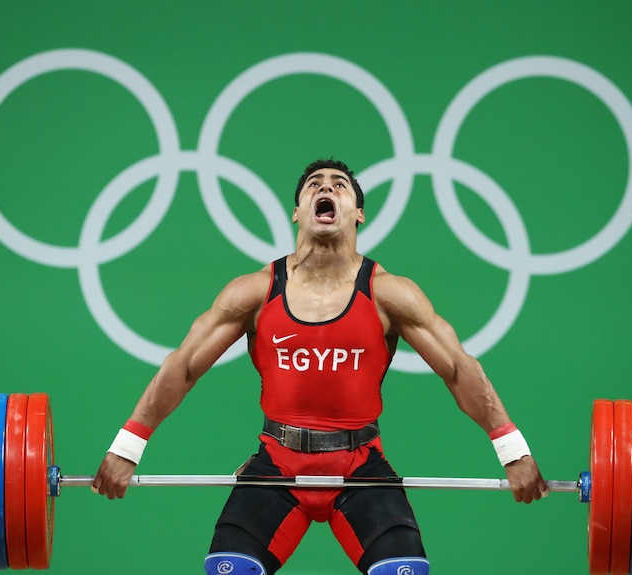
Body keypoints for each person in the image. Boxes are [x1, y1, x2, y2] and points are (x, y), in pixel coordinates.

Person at [91, 158, 548, 575]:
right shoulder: (253, 291)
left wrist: (513, 451)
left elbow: (457, 369)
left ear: (357, 213)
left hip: (362, 467)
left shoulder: (390, 293)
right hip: (276, 465)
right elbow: (184, 367)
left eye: (339, 186)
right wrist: (128, 446)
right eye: (313, 184)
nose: (324, 189)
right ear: (298, 211)